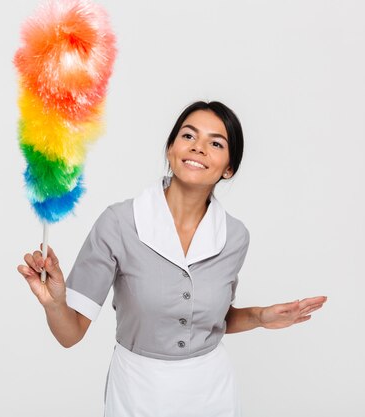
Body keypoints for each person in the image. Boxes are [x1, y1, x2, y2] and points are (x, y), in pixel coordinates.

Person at [17, 101, 327, 416]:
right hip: (137, 393)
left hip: (211, 394)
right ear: (170, 149)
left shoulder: (234, 236)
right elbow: (71, 334)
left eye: (215, 143)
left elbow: (208, 320)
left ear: (229, 167)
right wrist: (54, 303)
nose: (199, 148)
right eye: (188, 136)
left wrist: (260, 317)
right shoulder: (119, 223)